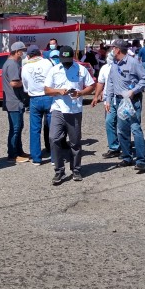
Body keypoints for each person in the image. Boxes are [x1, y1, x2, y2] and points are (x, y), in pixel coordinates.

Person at [44, 46, 96, 185]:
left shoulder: (81, 69)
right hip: (58, 109)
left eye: (68, 60)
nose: (66, 63)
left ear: (72, 57)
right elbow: (46, 90)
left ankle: (76, 169)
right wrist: (58, 91)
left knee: (75, 142)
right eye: (63, 60)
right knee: (53, 138)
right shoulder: (54, 70)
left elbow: (91, 85)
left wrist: (81, 93)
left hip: (74, 110)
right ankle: (59, 170)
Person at [103, 39, 145, 172]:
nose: (111, 50)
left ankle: (141, 161)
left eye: (113, 48)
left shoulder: (133, 62)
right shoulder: (114, 64)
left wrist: (133, 91)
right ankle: (127, 157)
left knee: (135, 128)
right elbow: (110, 83)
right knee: (121, 130)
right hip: (118, 101)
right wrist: (108, 100)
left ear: (118, 49)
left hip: (132, 101)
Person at [22, 45, 54, 165]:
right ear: (40, 53)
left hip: (34, 98)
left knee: (35, 129)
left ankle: (36, 158)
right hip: (48, 96)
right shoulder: (47, 63)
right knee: (53, 128)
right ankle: (54, 157)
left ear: (29, 55)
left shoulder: (25, 67)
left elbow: (25, 86)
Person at [2, 41, 29, 163]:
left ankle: (19, 151)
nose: (24, 53)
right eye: (22, 51)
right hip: (14, 101)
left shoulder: (11, 63)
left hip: (14, 100)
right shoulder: (12, 64)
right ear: (17, 52)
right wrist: (27, 83)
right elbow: (14, 83)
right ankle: (12, 154)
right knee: (15, 128)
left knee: (17, 127)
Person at [91, 56, 119, 158]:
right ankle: (114, 147)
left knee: (122, 123)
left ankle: (125, 146)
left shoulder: (123, 66)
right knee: (109, 122)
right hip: (109, 99)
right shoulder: (105, 68)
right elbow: (100, 83)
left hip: (122, 98)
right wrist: (96, 96)